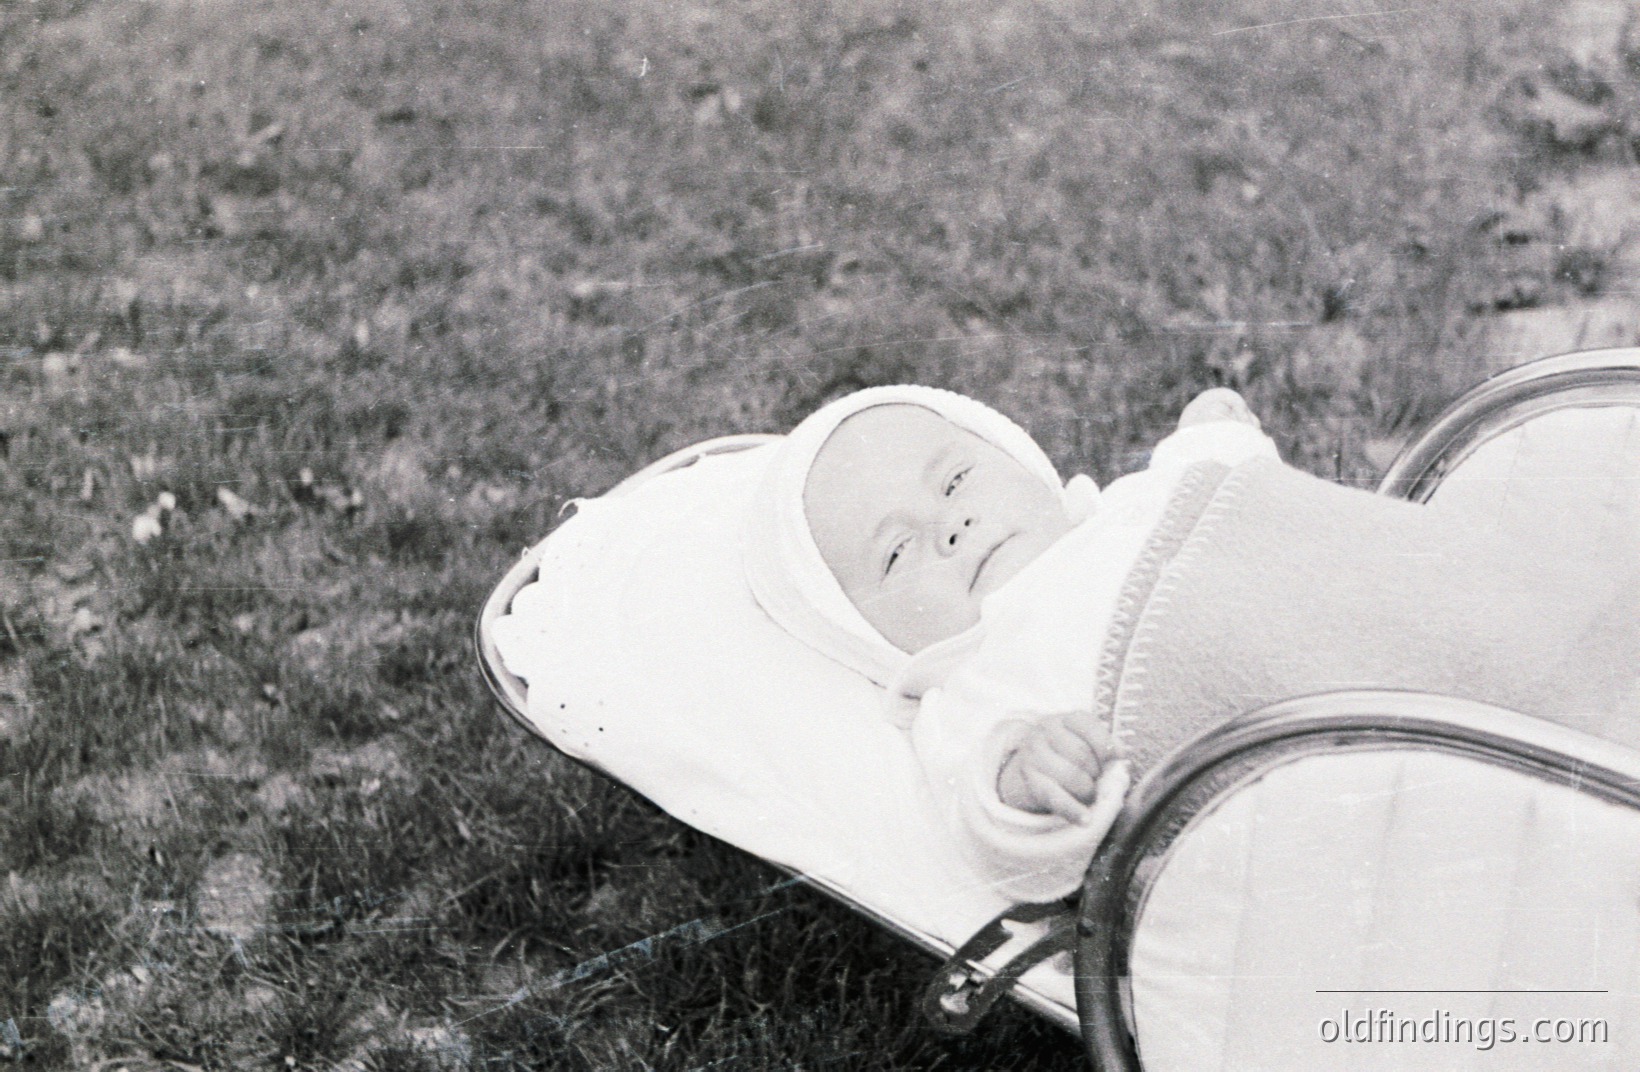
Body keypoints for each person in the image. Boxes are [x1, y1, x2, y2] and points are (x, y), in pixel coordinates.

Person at [742, 385, 1640, 902]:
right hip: (1375, 746)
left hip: (1428, 601)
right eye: (897, 552)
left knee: (1541, 612)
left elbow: (1221, 467)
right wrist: (1028, 783)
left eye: (958, 478)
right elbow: (999, 839)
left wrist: (1214, 431)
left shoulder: (1134, 501)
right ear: (867, 635)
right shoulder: (971, 686)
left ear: (1022, 459)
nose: (952, 525)